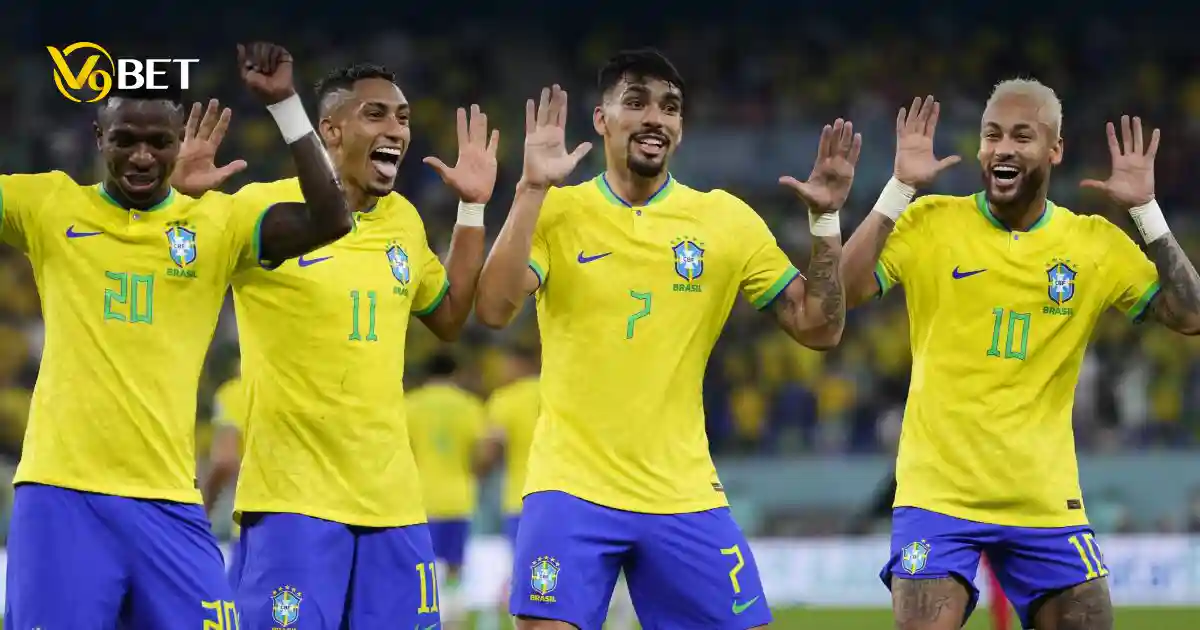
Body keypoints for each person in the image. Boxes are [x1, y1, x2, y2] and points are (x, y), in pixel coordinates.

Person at [475, 49, 858, 629]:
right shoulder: (559, 211)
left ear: (680, 129)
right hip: (571, 488)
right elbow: (494, 306)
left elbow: (820, 327)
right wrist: (529, 189)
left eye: (670, 107)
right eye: (636, 102)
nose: (656, 117)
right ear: (601, 120)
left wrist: (826, 224)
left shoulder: (724, 220)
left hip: (683, 492)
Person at [1, 42, 350, 628]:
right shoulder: (50, 205)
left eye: (158, 142)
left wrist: (286, 106)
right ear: (98, 137)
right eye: (125, 140)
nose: (141, 156)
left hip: (168, 500)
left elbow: (330, 218)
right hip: (62, 493)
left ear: (178, 141)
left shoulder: (215, 224)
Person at [840, 84, 1200, 630]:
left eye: (1021, 136)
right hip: (939, 499)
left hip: (1044, 502)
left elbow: (1190, 314)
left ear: (1054, 150)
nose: (1002, 148)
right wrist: (898, 190)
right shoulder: (931, 221)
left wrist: (1146, 213)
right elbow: (839, 293)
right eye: (992, 135)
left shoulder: (1093, 245)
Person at [171, 62, 497, 629]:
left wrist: (471, 209)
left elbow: (448, 317)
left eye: (403, 117)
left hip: (394, 504)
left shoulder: (404, 221)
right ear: (330, 129)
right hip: (292, 503)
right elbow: (172, 273)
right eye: (375, 113)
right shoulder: (262, 210)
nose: (396, 128)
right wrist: (174, 202)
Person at [407, 351, 488, 627]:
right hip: (458, 498)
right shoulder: (469, 405)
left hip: (417, 499)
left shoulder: (410, 405)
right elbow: (482, 454)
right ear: (455, 374)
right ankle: (454, 618)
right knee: (454, 566)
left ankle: (419, 618)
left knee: (419, 568)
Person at [202, 368, 247, 578]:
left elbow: (224, 461)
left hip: (256, 526)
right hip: (325, 522)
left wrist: (203, 512)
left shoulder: (236, 392)